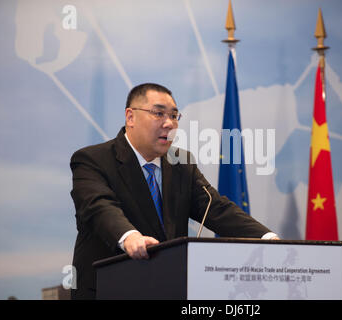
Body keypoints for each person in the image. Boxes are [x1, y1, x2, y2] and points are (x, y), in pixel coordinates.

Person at [69, 83, 278, 299]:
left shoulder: (182, 163)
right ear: (130, 117)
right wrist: (129, 237)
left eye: (175, 116)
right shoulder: (92, 160)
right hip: (109, 289)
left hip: (168, 289)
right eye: (158, 113)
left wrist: (267, 238)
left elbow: (215, 208)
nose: (169, 124)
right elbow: (99, 207)